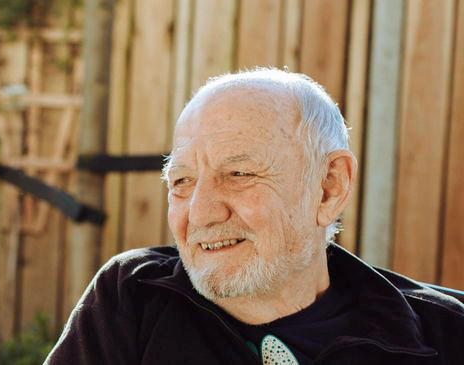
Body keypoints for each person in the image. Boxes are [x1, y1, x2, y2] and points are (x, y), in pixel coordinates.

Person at [46, 69, 464, 364]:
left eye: (239, 174)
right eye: (182, 181)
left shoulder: (445, 333)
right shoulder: (133, 299)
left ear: (329, 186)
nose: (202, 213)